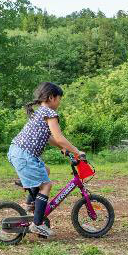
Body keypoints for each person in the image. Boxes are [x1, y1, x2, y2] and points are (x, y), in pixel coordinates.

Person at [7, 82, 84, 237]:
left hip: (17, 152)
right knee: (46, 185)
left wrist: (62, 148)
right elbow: (59, 137)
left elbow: (49, 137)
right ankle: (37, 224)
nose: (60, 102)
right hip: (24, 156)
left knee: (45, 170)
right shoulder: (50, 113)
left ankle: (31, 204)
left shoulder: (40, 112)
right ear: (51, 97)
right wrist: (76, 152)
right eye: (59, 99)